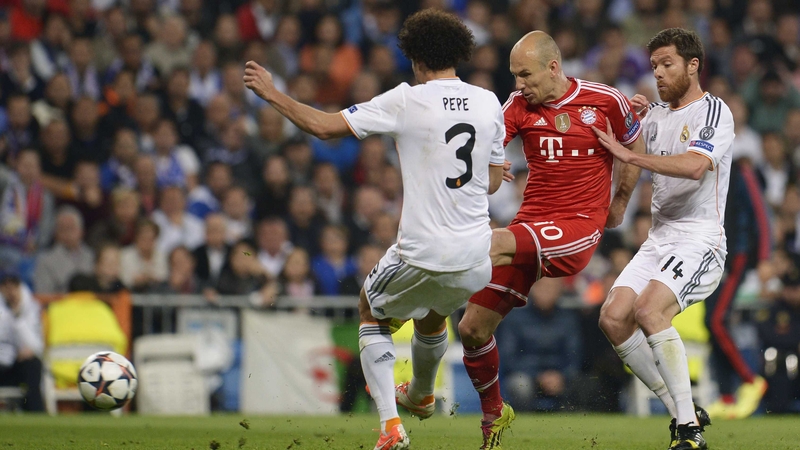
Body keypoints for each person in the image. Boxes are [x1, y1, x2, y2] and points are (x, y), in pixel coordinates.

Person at [245, 9, 505, 450]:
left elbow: (325, 127)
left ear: (415, 57)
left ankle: (389, 427)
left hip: (422, 250)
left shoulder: (407, 98)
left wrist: (273, 95)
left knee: (370, 308)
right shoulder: (487, 101)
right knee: (432, 314)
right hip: (475, 257)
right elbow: (495, 181)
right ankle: (422, 394)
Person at [455, 30, 644, 449]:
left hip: (577, 227)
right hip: (530, 226)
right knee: (471, 328)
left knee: (490, 242)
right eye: (513, 75)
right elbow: (485, 143)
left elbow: (634, 142)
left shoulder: (605, 100)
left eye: (524, 74)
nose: (518, 84)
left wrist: (621, 201)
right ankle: (493, 416)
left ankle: (417, 293)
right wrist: (489, 161)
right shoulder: (518, 105)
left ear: (553, 67)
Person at [591, 28, 733, 450]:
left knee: (650, 311)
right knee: (613, 318)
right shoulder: (653, 115)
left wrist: (631, 154)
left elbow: (693, 167)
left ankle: (688, 431)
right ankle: (681, 409)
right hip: (659, 239)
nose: (658, 73)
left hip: (700, 240)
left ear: (693, 66)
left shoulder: (714, 112)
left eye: (667, 64)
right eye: (654, 65)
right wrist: (617, 204)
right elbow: (631, 158)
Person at [704, 155, 772, 420]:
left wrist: (765, 257)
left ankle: (751, 380)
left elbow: (761, 214)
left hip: (737, 256)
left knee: (717, 321)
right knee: (711, 324)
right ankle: (726, 397)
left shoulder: (740, 170)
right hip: (714, 256)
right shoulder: (704, 169)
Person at [0, 270, 44, 412]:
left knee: (33, 363)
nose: (10, 291)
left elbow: (36, 346)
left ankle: (36, 412)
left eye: (14, 286)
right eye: (6, 286)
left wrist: (17, 316)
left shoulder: (31, 307)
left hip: (15, 365)